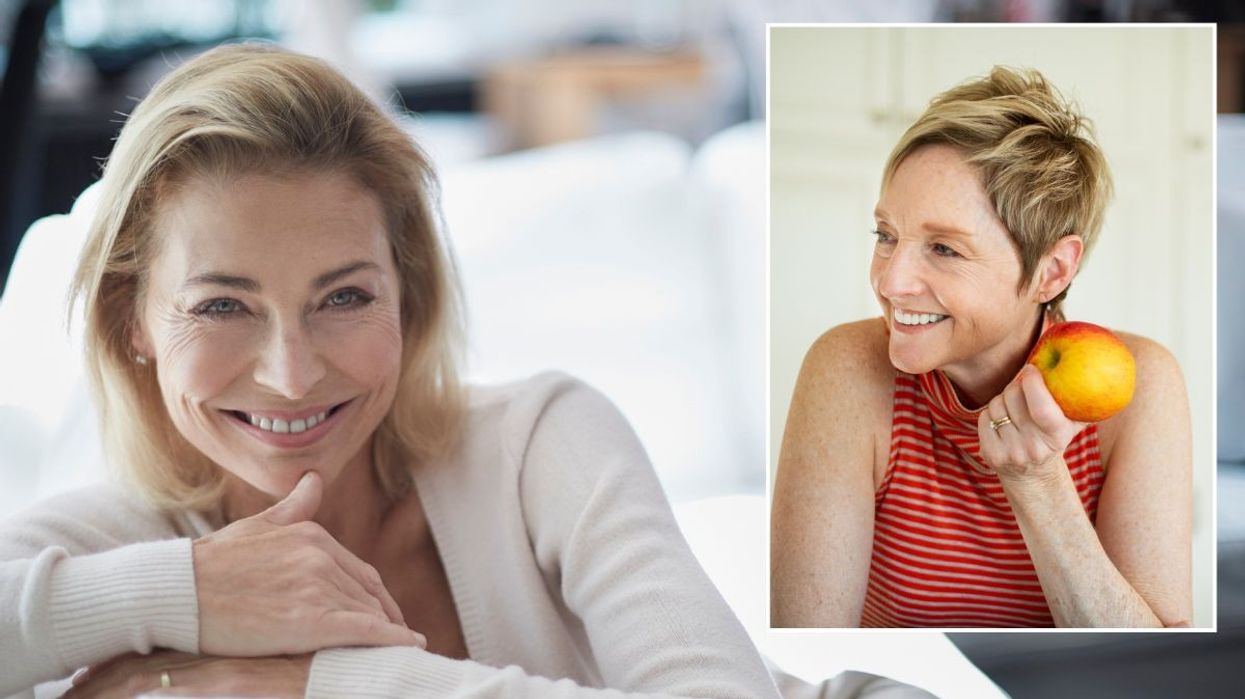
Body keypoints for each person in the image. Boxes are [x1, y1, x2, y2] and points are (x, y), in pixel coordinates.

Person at [0, 42, 785, 697]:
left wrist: (316, 682)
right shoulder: (118, 536)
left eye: (342, 296)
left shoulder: (537, 445)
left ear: (408, 297)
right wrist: (191, 591)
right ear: (131, 319)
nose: (292, 374)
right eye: (221, 306)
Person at [770, 66, 1193, 628]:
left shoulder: (1139, 388)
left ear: (1052, 270)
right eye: (886, 235)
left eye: (944, 249)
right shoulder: (848, 370)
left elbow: (1156, 672)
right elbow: (811, 651)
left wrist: (1036, 480)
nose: (891, 283)